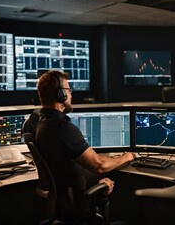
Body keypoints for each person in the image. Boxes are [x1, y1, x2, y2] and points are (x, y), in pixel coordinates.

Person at [34, 70, 135, 220]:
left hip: (65, 198)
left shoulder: (43, 123)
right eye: (68, 90)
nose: (71, 93)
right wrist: (126, 157)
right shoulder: (62, 128)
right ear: (60, 94)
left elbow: (66, 168)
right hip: (76, 203)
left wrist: (95, 181)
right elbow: (99, 165)